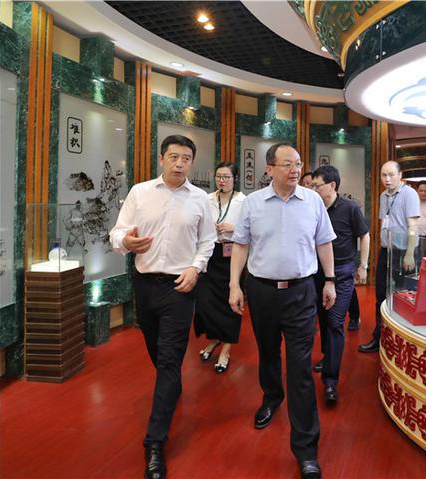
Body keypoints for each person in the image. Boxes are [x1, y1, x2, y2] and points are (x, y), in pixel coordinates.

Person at [109, 135, 216, 479]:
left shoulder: (200, 199)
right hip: (145, 284)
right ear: (161, 159)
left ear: (191, 162)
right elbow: (117, 233)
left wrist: (195, 268)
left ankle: (154, 443)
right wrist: (126, 241)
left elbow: (208, 241)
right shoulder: (140, 193)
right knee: (157, 352)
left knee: (170, 360)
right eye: (173, 157)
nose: (180, 163)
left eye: (186, 158)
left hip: (180, 287)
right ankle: (171, 384)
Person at [229, 143, 336, 479]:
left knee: (300, 368)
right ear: (269, 169)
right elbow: (241, 244)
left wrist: (330, 280)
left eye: (298, 164)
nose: (295, 170)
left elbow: (324, 242)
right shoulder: (253, 203)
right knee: (267, 351)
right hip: (261, 291)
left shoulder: (313, 201)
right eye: (287, 164)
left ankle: (306, 449)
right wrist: (234, 285)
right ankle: (272, 396)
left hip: (301, 292)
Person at [310, 165, 369, 403]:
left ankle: (330, 381)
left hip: (343, 272)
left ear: (332, 185)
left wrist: (363, 265)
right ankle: (328, 356)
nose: (313, 189)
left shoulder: (350, 208)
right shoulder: (312, 208)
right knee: (324, 319)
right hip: (316, 271)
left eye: (317, 185)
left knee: (335, 322)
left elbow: (364, 235)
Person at [359, 161, 420, 353]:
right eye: (383, 175)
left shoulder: (409, 194)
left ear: (400, 175)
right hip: (386, 251)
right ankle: (380, 338)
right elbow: (385, 223)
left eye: (391, 174)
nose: (387, 179)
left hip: (403, 253)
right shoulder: (383, 196)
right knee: (381, 296)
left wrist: (410, 253)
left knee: (402, 298)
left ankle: (402, 344)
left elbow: (413, 226)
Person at [194, 162, 246, 373]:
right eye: (218, 176)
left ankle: (226, 349)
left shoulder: (243, 201)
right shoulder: (207, 199)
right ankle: (215, 339)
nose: (222, 181)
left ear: (235, 179)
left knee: (230, 303)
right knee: (206, 302)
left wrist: (233, 228)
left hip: (233, 255)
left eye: (226, 177)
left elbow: (252, 229)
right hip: (211, 253)